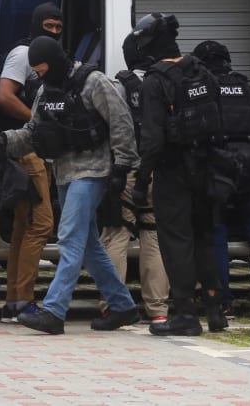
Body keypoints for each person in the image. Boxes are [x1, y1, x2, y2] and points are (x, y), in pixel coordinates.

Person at [0, 35, 140, 335]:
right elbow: (32, 133)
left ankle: (55, 311)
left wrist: (123, 165)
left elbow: (121, 122)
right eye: (37, 72)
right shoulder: (46, 89)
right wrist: (2, 139)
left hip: (93, 171)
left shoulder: (93, 82)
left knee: (68, 237)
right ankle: (123, 307)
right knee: (89, 245)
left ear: (55, 62)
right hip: (65, 173)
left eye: (43, 70)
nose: (40, 76)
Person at [133, 13, 228, 336]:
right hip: (206, 167)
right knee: (204, 236)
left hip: (172, 171)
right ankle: (215, 309)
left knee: (176, 242)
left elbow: (152, 139)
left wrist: (141, 180)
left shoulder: (155, 80)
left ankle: (186, 313)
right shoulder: (199, 70)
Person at [192, 40, 250, 320]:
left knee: (216, 232)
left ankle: (224, 302)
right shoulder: (242, 84)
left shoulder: (206, 86)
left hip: (220, 164)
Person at [0, 2, 62, 322]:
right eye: (49, 26)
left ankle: (14, 302)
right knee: (43, 224)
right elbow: (4, 96)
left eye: (59, 28)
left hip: (33, 147)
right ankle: (25, 300)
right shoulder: (23, 54)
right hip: (28, 147)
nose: (55, 33)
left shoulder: (44, 53)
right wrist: (38, 122)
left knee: (24, 227)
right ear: (36, 24)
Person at [100, 31, 170, 326]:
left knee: (117, 234)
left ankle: (113, 305)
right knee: (153, 236)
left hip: (126, 172)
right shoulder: (165, 82)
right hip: (159, 171)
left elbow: (109, 125)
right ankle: (158, 309)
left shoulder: (118, 85)